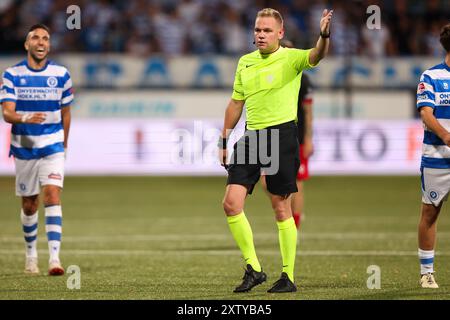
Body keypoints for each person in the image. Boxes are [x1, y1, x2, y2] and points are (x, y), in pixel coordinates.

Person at [219, 8, 332, 293]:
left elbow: (317, 55)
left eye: (267, 30)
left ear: (280, 34)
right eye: (257, 29)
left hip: (281, 136)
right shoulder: (245, 62)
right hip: (251, 136)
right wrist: (223, 140)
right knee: (231, 203)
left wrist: (324, 34)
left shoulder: (291, 59)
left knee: (281, 206)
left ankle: (288, 276)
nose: (260, 34)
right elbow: (236, 103)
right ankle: (253, 269)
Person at [0, 24, 73, 276]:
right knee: (30, 204)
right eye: (35, 38)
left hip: (52, 144)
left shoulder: (61, 74)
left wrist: (64, 143)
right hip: (25, 146)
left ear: (49, 45)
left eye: (45, 38)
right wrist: (27, 116)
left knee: (52, 194)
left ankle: (55, 258)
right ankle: (31, 255)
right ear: (26, 44)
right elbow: (7, 113)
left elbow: (66, 112)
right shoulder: (12, 74)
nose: (41, 42)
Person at [261, 39, 314, 230]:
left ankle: (295, 227)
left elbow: (308, 112)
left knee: (297, 182)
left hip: (296, 137)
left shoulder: (303, 80)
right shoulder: (269, 76)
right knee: (266, 181)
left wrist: (308, 138)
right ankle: (286, 209)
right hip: (271, 136)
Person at [416, 23, 450, 289]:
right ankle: (426, 272)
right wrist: (447, 136)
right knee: (430, 212)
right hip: (438, 156)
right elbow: (426, 113)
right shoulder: (432, 76)